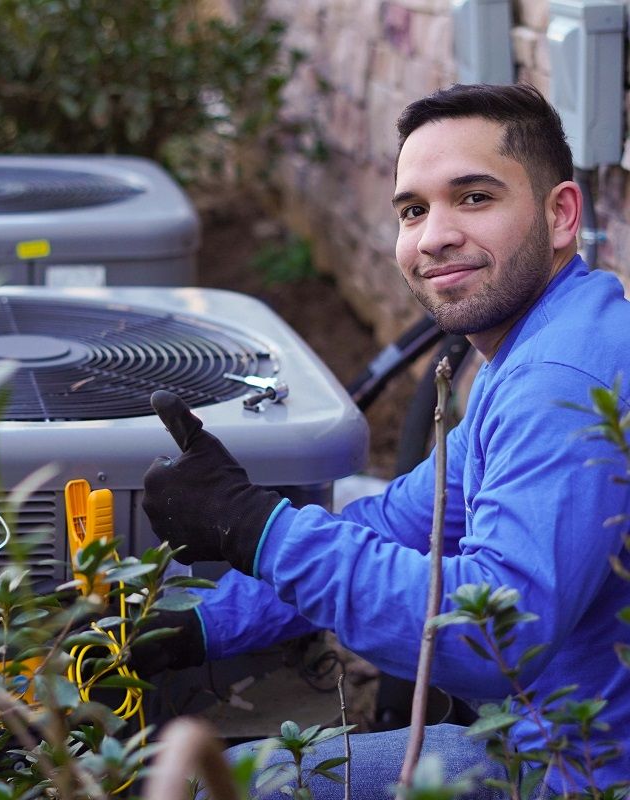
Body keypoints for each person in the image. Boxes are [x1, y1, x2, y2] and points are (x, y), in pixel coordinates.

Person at [139, 83, 630, 797]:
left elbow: (493, 634)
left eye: (474, 198)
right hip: (554, 740)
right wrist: (200, 625)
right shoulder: (551, 340)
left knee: (236, 785)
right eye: (413, 209)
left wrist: (254, 529)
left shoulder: (558, 379)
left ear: (560, 215)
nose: (433, 237)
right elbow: (406, 522)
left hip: (582, 775)